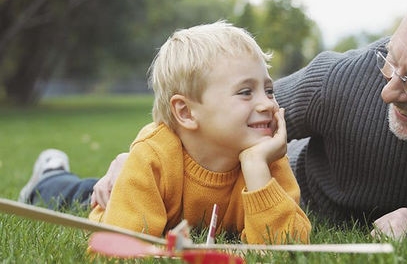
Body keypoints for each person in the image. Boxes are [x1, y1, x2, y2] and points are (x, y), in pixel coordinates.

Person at [93, 0, 407, 239]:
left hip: (272, 208)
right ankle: (53, 178)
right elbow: (214, 116)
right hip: (263, 187)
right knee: (107, 193)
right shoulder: (342, 78)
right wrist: (135, 159)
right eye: (391, 61)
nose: (389, 90)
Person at [18, 21, 311, 244]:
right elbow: (117, 248)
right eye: (246, 92)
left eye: (269, 90)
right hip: (119, 200)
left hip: (158, 201)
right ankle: (49, 176)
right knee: (77, 195)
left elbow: (288, 247)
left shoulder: (266, 159)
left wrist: (257, 169)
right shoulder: (154, 158)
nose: (267, 103)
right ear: (185, 112)